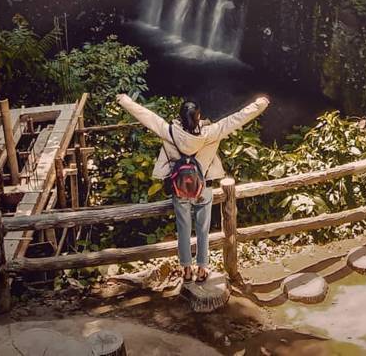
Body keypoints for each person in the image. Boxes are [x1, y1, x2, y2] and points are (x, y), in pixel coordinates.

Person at [116, 91, 270, 282]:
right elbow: (237, 118)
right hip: (202, 188)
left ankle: (187, 270)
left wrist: (124, 100)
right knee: (203, 230)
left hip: (179, 188)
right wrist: (260, 104)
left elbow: (145, 115)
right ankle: (202, 269)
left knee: (183, 229)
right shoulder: (211, 132)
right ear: (199, 117)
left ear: (180, 117)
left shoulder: (169, 131)